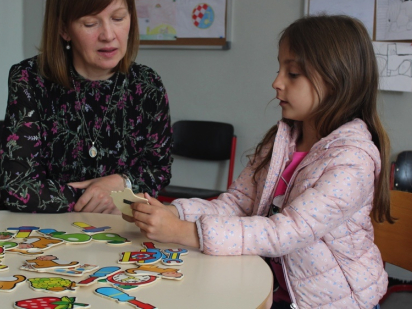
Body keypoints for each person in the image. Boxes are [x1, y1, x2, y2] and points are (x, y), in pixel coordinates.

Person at [127, 15, 392, 309]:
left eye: (292, 74)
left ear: (336, 80)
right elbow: (237, 204)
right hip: (275, 291)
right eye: (280, 68)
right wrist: (173, 212)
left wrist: (182, 233)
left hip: (336, 303)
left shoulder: (353, 159)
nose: (276, 82)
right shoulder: (281, 141)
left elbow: (287, 231)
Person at [0, 0, 173, 214]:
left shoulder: (147, 85)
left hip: (117, 231)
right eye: (91, 23)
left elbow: (159, 170)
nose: (108, 35)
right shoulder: (29, 79)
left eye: (118, 18)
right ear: (64, 29)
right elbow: (17, 189)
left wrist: (121, 182)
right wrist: (103, 195)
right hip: (42, 232)